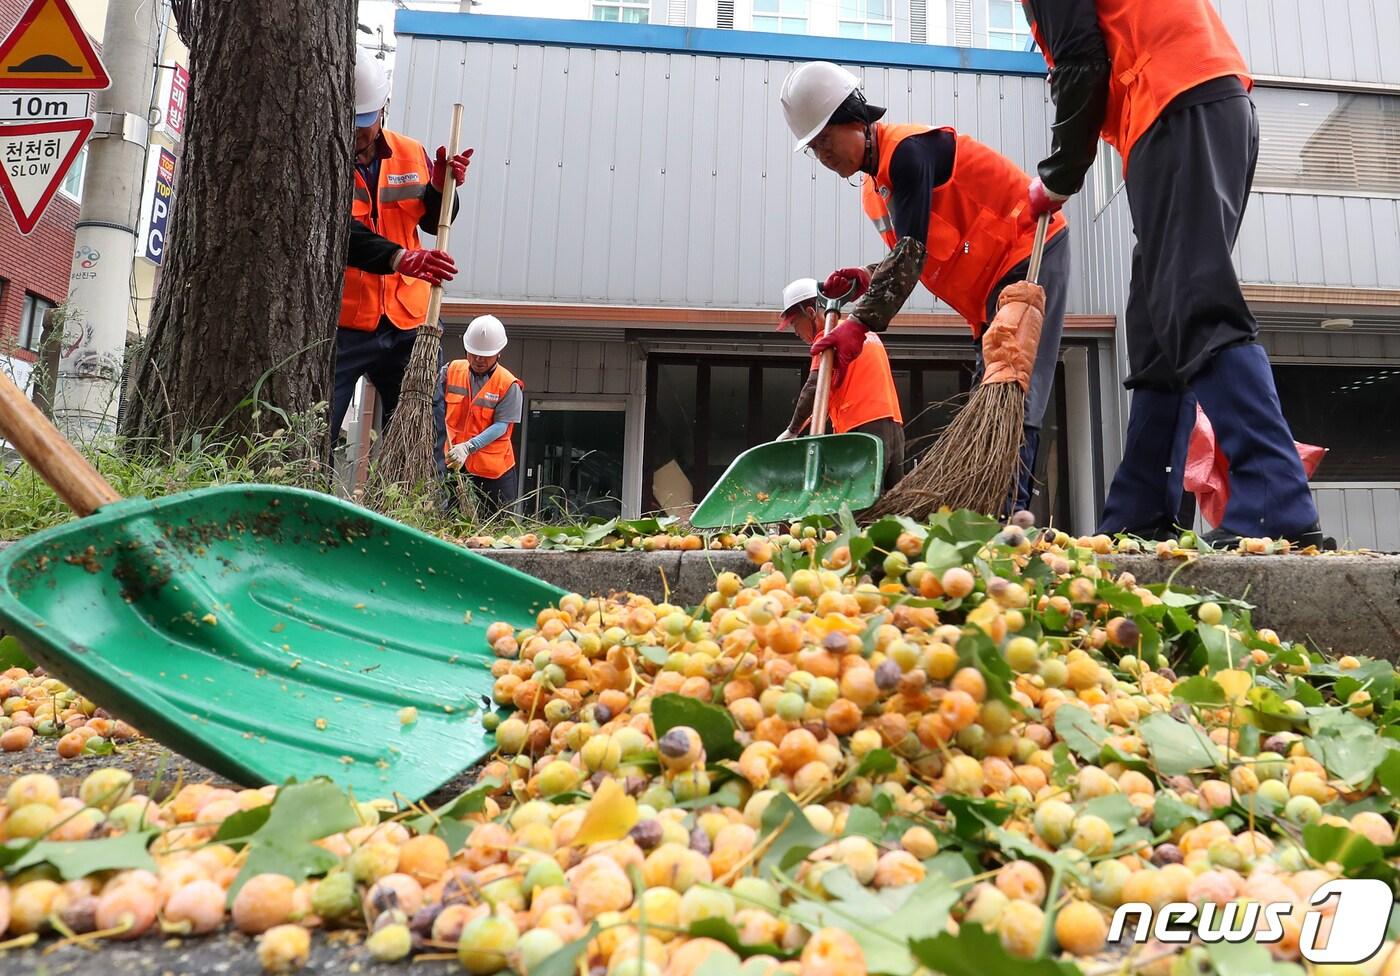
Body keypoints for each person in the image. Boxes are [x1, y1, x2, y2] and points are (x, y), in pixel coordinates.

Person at [1021, 0, 1325, 548]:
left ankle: (1275, 498)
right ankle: (1140, 508)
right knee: (1158, 326)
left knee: (1194, 300)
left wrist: (1059, 175)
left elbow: (1081, 61)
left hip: (1178, 103)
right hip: (1194, 105)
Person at [779, 62, 1071, 514]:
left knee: (1013, 386)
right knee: (987, 395)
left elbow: (911, 254)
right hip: (986, 289)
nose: (824, 155)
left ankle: (1008, 516)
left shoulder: (908, 152)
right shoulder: (873, 191)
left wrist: (859, 323)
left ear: (855, 119)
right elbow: (913, 252)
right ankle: (984, 511)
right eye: (814, 148)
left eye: (826, 140)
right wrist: (866, 276)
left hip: (1028, 250)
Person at [332, 53, 474, 444]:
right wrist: (400, 258)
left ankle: (419, 502)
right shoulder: (323, 161)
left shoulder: (411, 152)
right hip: (347, 323)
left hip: (407, 319)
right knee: (317, 429)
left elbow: (432, 220)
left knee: (423, 436)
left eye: (365, 125)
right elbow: (339, 234)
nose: (359, 137)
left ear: (382, 111)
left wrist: (443, 189)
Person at [775, 277, 905, 491]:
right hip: (893, 428)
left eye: (795, 323)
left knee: (856, 503)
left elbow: (814, 387)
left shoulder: (830, 339)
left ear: (810, 312)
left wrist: (792, 430)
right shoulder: (861, 332)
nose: (795, 332)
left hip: (862, 430)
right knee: (892, 505)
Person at [437, 315, 524, 513]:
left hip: (493, 470)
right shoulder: (450, 371)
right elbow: (436, 406)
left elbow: (501, 426)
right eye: (474, 353)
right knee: (452, 522)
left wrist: (469, 447)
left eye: (485, 355)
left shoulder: (509, 385)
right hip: (454, 462)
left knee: (498, 525)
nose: (478, 359)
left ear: (499, 353)